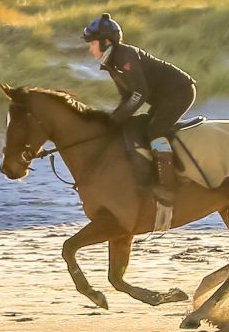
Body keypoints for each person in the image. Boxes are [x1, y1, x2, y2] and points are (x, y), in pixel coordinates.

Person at [82, 14, 197, 198]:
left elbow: (140, 93)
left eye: (92, 43)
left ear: (105, 42)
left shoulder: (124, 56)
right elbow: (126, 97)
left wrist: (116, 119)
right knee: (135, 127)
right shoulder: (112, 63)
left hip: (180, 91)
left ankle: (168, 184)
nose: (90, 49)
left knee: (154, 130)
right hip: (164, 97)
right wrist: (112, 121)